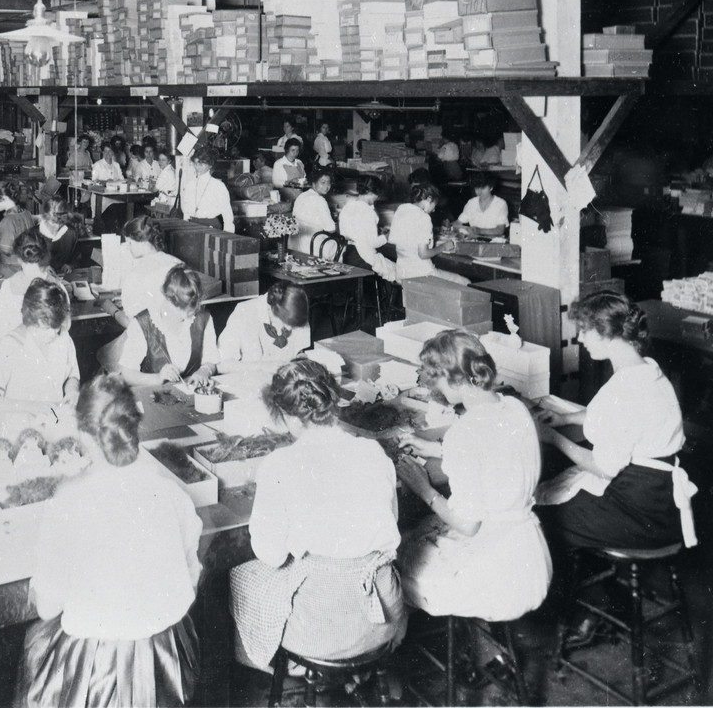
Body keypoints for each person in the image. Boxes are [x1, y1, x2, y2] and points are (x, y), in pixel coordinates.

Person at [16, 374, 202, 708]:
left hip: (96, 666)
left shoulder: (69, 501)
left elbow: (47, 607)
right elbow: (190, 580)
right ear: (136, 422)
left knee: (35, 645)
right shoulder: (173, 494)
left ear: (82, 434)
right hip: (163, 661)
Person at [229, 359, 405, 672]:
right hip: (381, 619)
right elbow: (389, 523)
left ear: (286, 417)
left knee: (238, 578)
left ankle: (276, 670)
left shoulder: (280, 464)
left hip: (321, 630)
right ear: (334, 400)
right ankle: (356, 677)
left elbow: (269, 555)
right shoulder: (373, 452)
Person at [396, 330, 552, 623]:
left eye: (437, 378)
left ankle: (401, 644)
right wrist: (436, 448)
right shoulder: (515, 408)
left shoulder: (464, 433)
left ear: (451, 378)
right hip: (530, 557)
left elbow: (468, 525)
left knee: (398, 554)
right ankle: (488, 654)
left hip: (495, 575)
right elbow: (494, 454)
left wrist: (424, 489)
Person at [535, 291, 695, 552]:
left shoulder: (623, 389)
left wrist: (552, 437)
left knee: (536, 516)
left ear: (605, 333)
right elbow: (621, 418)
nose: (580, 338)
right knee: (555, 487)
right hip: (662, 502)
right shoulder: (648, 371)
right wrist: (565, 417)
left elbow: (603, 467)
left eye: (584, 331)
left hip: (637, 512)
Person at [0, 278, 80, 417]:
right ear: (28, 321)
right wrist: (33, 407)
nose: (52, 334)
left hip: (53, 420)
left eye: (55, 328)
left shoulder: (64, 339)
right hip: (17, 422)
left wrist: (72, 391)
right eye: (44, 329)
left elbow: (72, 375)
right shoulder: (10, 346)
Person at [117, 266, 219, 386]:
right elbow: (127, 374)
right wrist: (158, 378)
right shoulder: (143, 323)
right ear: (167, 299)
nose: (186, 318)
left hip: (191, 392)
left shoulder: (202, 317)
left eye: (190, 312)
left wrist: (204, 371)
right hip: (154, 394)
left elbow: (211, 360)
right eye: (180, 312)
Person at [0, 229, 65, 341]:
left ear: (18, 258)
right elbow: (65, 326)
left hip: (18, 350)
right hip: (52, 351)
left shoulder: (9, 286)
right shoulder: (57, 286)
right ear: (45, 255)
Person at [218, 283, 312, 371]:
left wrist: (301, 360)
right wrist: (262, 366)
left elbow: (299, 350)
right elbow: (222, 365)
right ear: (270, 309)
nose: (290, 329)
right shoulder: (244, 312)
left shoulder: (295, 311)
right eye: (285, 323)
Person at [388, 183, 468, 284]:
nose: (434, 210)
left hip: (401, 273)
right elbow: (423, 254)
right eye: (434, 205)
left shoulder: (401, 209)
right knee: (466, 282)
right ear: (429, 199)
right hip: (422, 275)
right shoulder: (424, 217)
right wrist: (444, 246)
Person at [112, 215, 183, 321]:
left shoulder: (135, 274)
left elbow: (131, 323)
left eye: (130, 243)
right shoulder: (177, 262)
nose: (127, 247)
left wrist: (111, 309)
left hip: (151, 333)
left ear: (142, 243)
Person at [337, 176, 396, 281]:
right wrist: (386, 236)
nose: (376, 198)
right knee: (396, 270)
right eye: (376, 195)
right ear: (371, 192)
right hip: (362, 259)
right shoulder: (368, 212)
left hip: (348, 254)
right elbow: (373, 243)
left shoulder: (347, 207)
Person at [180, 147, 234, 232]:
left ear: (210, 165)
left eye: (201, 164)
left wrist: (228, 235)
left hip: (211, 226)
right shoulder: (190, 184)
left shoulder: (218, 186)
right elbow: (186, 210)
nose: (197, 167)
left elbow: (227, 214)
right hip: (192, 224)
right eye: (195, 163)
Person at [0, 182, 36, 276]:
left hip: (11, 267)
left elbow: (5, 250)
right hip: (28, 264)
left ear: (5, 198)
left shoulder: (8, 220)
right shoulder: (27, 213)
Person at [291, 169, 336, 255]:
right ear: (314, 183)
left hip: (294, 245)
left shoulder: (301, 196)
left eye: (329, 183)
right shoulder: (320, 200)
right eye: (323, 182)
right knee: (343, 247)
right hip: (312, 246)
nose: (327, 186)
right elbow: (331, 229)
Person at [457, 171, 509, 238]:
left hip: (495, 243)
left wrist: (479, 231)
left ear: (491, 187)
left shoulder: (500, 204)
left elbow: (500, 230)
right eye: (477, 188)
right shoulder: (471, 203)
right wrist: (448, 226)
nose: (479, 192)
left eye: (483, 188)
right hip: (474, 241)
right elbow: (458, 223)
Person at [38, 195, 80, 275]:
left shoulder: (71, 233)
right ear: (46, 217)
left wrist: (70, 265)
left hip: (64, 278)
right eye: (53, 222)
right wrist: (42, 268)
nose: (56, 227)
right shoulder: (35, 233)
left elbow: (77, 258)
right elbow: (26, 263)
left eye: (61, 223)